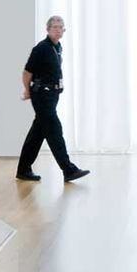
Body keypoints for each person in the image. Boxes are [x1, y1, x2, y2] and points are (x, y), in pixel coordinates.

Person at [16, 15, 88, 183]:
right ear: (47, 30)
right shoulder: (41, 48)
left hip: (52, 96)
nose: (57, 29)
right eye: (54, 26)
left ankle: (23, 169)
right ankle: (68, 169)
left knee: (37, 133)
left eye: (60, 26)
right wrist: (27, 91)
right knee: (55, 130)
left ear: (64, 30)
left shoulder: (57, 47)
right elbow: (27, 72)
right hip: (42, 95)